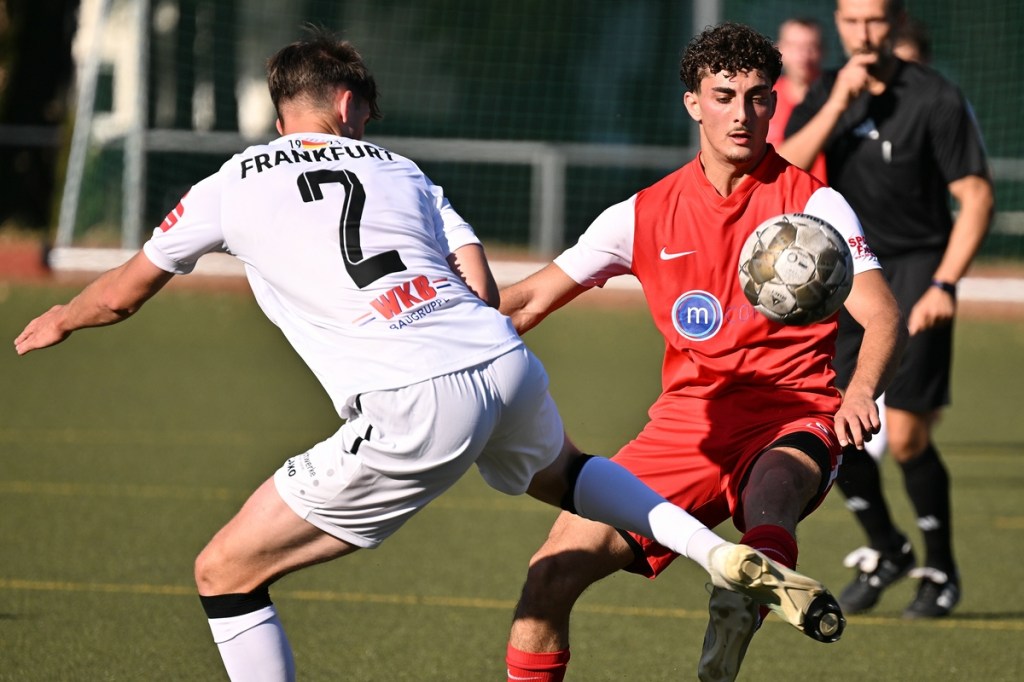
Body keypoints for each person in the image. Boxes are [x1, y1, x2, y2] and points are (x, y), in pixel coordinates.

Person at [12, 29, 846, 682]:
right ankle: (717, 553)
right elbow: (479, 282)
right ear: (348, 104)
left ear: (287, 110)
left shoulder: (228, 181)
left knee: (224, 570)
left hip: (407, 396)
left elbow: (120, 294)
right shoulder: (401, 170)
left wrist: (63, 318)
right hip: (497, 358)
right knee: (566, 473)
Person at [502, 22, 906, 682]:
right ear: (693, 103)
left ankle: (748, 587)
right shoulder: (642, 214)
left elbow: (882, 312)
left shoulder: (815, 205)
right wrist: (433, 324)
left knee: (775, 491)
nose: (742, 114)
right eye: (724, 96)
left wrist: (860, 391)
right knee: (549, 575)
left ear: (773, 103)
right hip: (686, 429)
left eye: (758, 97)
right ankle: (747, 583)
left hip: (792, 413)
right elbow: (526, 302)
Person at [781, 0, 993, 619]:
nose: (864, 33)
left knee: (904, 436)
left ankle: (940, 567)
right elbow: (783, 170)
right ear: (838, 24)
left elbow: (977, 197)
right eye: (852, 21)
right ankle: (887, 547)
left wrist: (945, 284)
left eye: (875, 20)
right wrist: (837, 103)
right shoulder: (827, 91)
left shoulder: (935, 97)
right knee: (833, 419)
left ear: (895, 23)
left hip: (920, 270)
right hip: (851, 269)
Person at [767, 17, 828, 182]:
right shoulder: (763, 98)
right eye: (795, 46)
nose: (803, 56)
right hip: (776, 191)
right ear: (779, 50)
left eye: (811, 47)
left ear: (823, 51)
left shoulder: (839, 97)